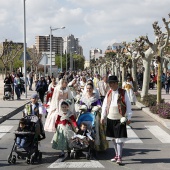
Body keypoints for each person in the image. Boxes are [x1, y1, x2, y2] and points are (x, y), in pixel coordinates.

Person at [100, 75, 133, 164]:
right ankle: (116, 155)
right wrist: (103, 116)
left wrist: (129, 117)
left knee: (119, 139)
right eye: (109, 83)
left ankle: (120, 157)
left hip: (120, 118)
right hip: (111, 117)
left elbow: (128, 105)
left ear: (116, 83)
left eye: (112, 83)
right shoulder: (109, 93)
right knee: (114, 139)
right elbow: (105, 105)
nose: (110, 85)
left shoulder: (123, 93)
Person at [80, 83, 108, 151]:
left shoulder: (95, 97)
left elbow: (99, 105)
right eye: (87, 88)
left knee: (95, 127)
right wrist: (82, 108)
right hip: (85, 114)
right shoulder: (83, 97)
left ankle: (96, 145)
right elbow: (80, 104)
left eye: (90, 88)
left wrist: (96, 108)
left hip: (94, 114)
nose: (89, 90)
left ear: (93, 89)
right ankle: (82, 143)